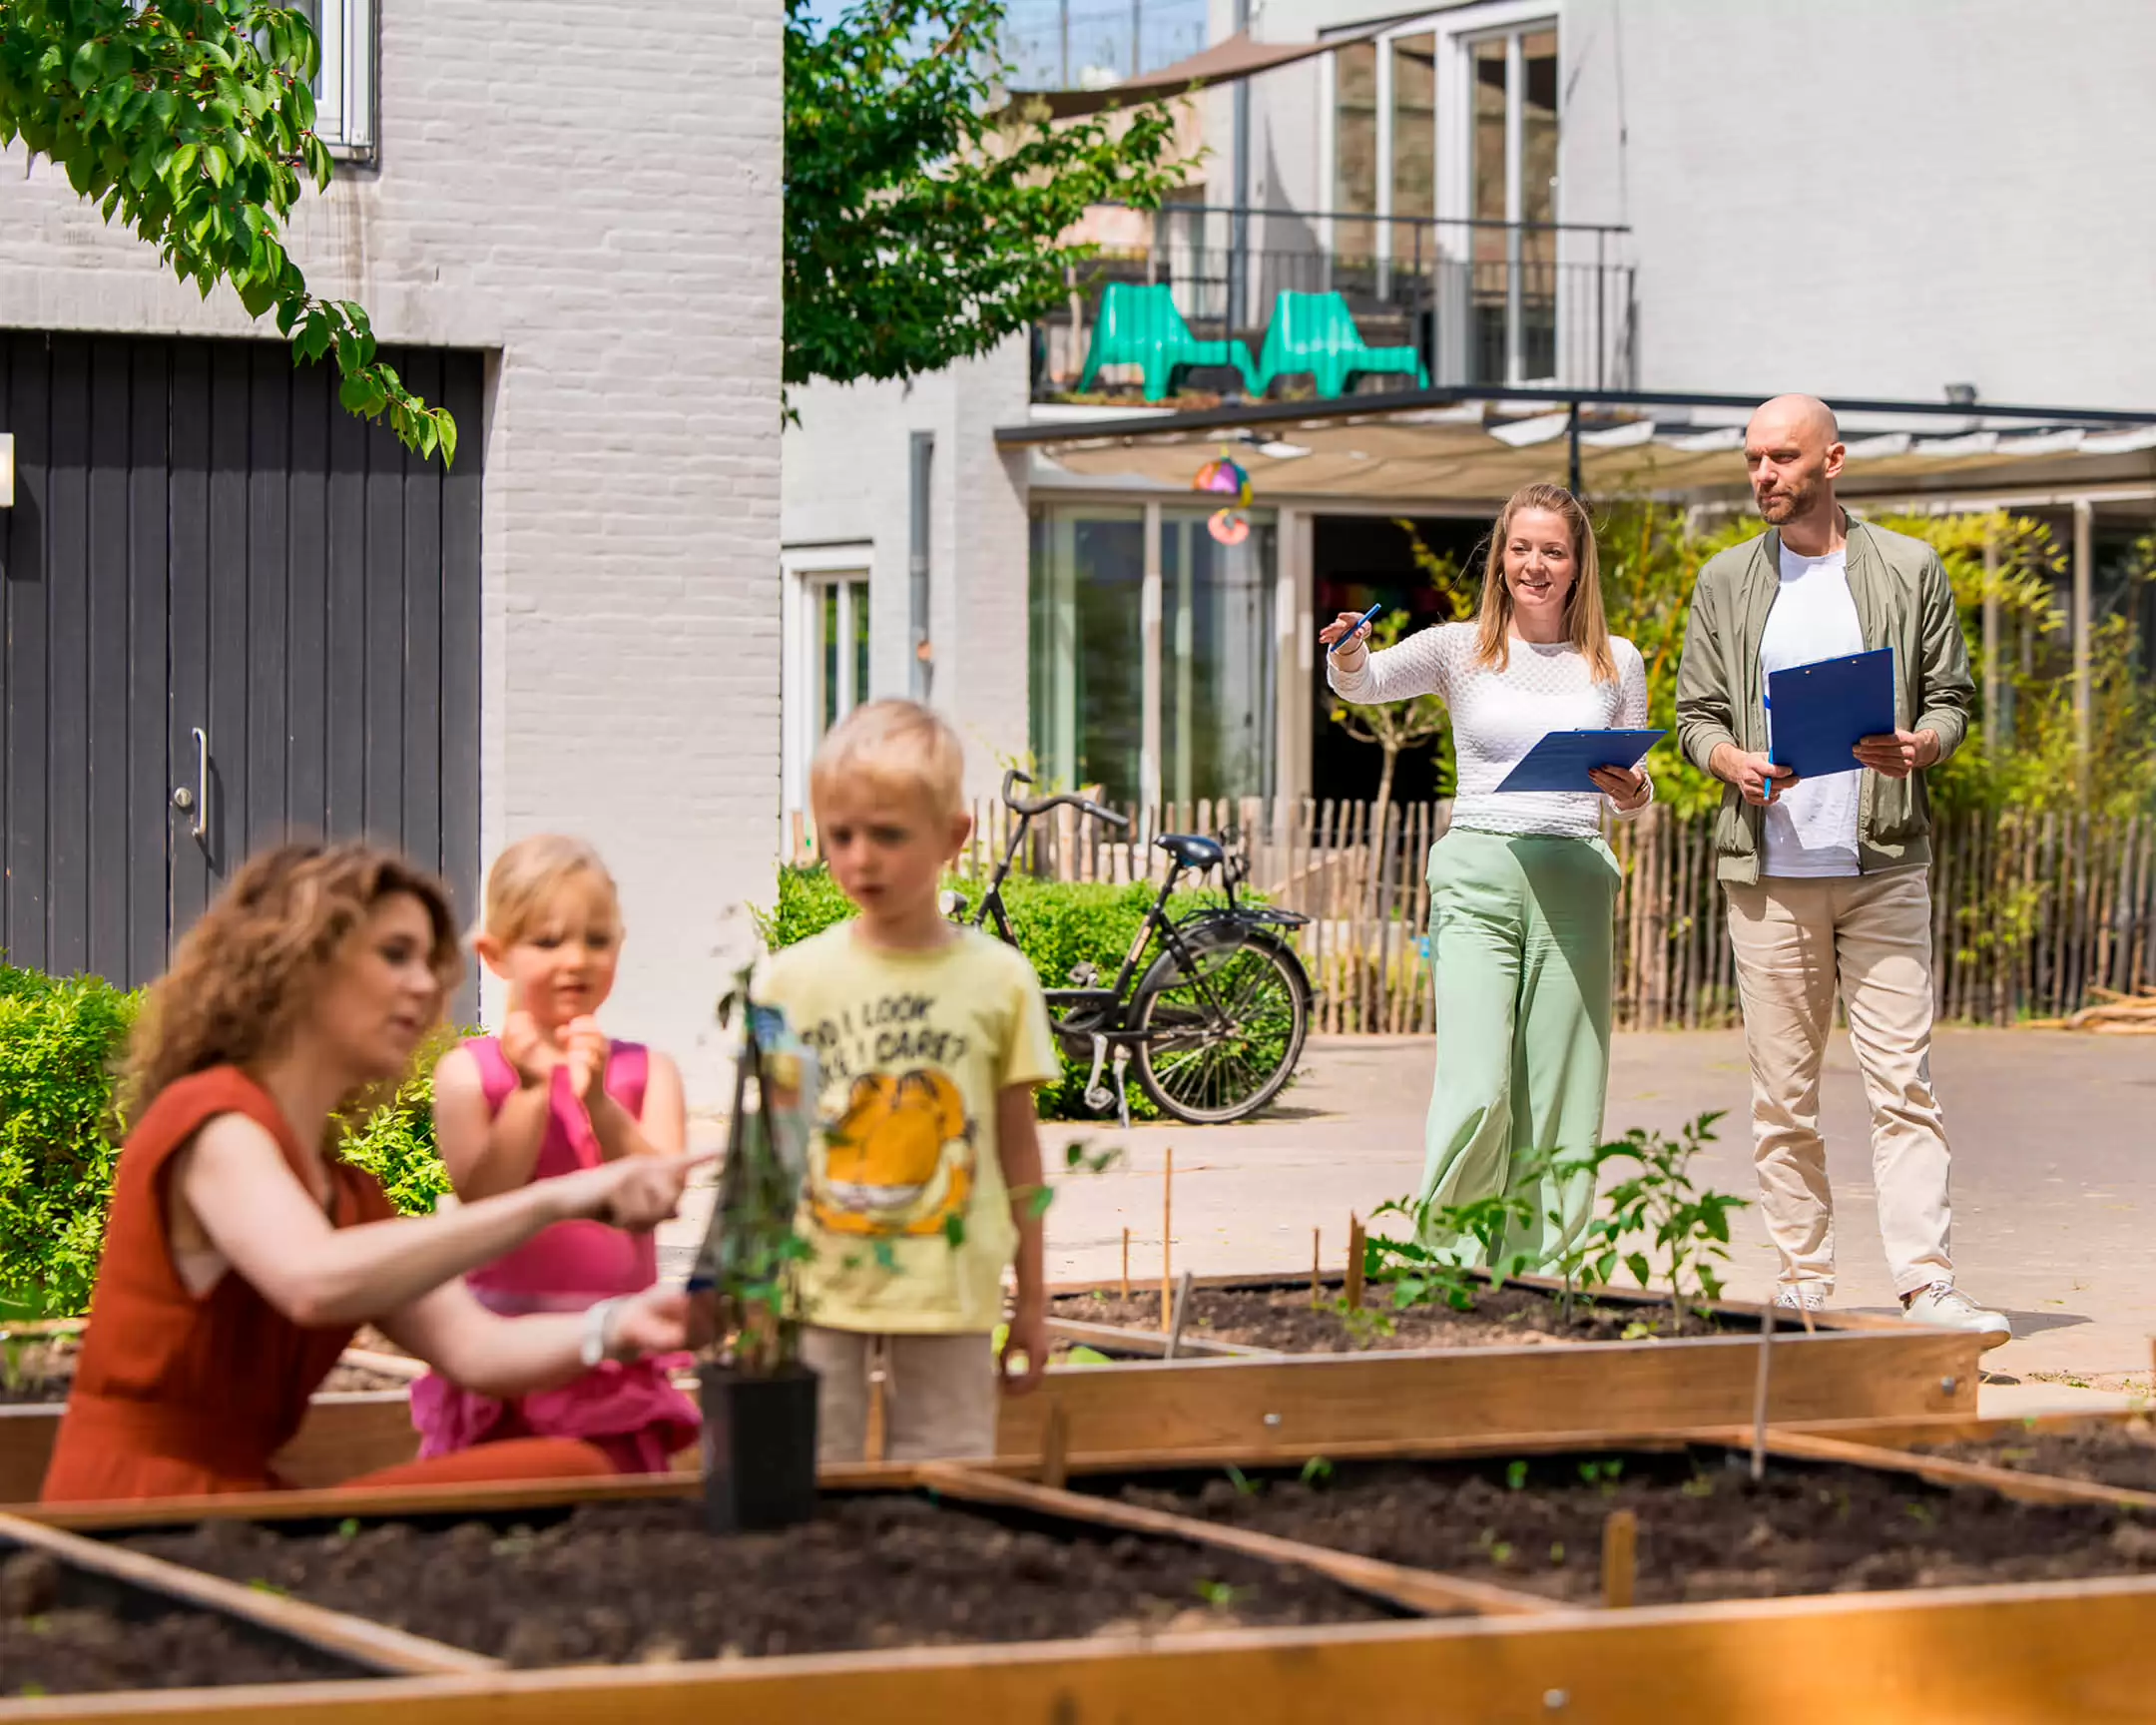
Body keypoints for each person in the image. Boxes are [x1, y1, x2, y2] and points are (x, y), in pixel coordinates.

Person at [41, 842, 712, 1503]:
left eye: (428, 962)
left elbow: (476, 1349)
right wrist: (560, 1197)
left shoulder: (350, 1195)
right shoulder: (212, 1120)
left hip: (244, 1506)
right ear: (301, 964)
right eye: (395, 955)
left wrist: (624, 1326)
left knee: (572, 1468)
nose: (425, 985)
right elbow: (313, 1279)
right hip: (133, 1513)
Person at [1674, 393, 2007, 1340]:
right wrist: (1725, 761)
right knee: (1784, 1095)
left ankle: (1926, 1283)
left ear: (1833, 461)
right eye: (1752, 460)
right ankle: (1803, 1284)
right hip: (1770, 868)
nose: (1763, 476)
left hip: (1885, 862)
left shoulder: (1908, 567)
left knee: (1903, 1084)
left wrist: (1925, 747)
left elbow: (1951, 696)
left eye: (1781, 458)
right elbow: (1697, 713)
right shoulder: (1725, 580)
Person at [1324, 482, 1653, 1272]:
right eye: (1520, 548)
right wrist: (1347, 648)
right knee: (1477, 1086)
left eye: (1553, 551)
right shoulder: (1458, 647)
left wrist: (1633, 790)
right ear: (1501, 557)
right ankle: (1449, 1263)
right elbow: (1363, 684)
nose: (1534, 566)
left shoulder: (1617, 661)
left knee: (1560, 1093)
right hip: (1477, 874)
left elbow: (1638, 793)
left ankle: (1546, 1271)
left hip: (1574, 873)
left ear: (1578, 566)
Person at [758, 699, 1060, 1461]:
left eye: (888, 835)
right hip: (819, 1285)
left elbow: (1018, 1151)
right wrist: (754, 1287)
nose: (861, 858)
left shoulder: (1001, 980)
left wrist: (1032, 1296)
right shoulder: (788, 983)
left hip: (951, 1284)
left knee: (947, 1476)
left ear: (952, 837)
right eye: (841, 835)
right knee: (811, 1476)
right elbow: (772, 1149)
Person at [409, 837, 702, 1473]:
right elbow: (486, 1197)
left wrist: (597, 1102)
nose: (576, 960)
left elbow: (660, 1198)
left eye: (597, 941)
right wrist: (536, 1090)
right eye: (547, 942)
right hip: (505, 1350)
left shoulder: (648, 1072)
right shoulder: (469, 1074)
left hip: (616, 1353)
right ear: (495, 954)